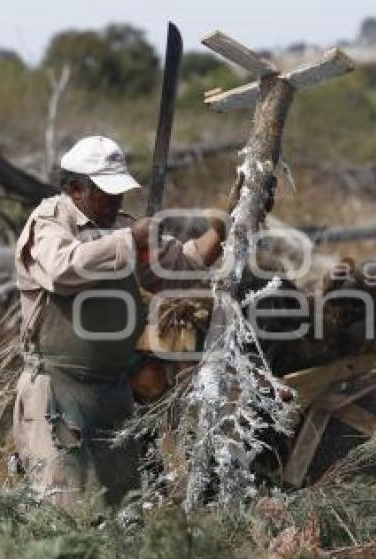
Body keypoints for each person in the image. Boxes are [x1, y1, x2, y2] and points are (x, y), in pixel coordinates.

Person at [12, 136, 223, 507]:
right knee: (63, 510)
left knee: (122, 510)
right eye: (106, 194)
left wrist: (224, 226)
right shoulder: (49, 222)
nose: (116, 202)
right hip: (58, 393)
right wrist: (130, 241)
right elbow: (63, 269)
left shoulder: (122, 227)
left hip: (113, 393)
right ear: (75, 189)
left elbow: (182, 267)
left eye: (119, 194)